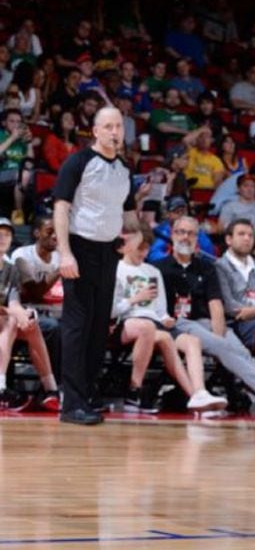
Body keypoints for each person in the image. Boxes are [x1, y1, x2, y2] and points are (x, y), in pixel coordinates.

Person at [155, 216, 255, 418]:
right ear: (173, 235)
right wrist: (218, 344)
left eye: (191, 233)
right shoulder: (160, 268)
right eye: (181, 232)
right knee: (221, 346)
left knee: (239, 349)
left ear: (197, 238)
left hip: (206, 321)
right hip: (178, 323)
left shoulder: (206, 267)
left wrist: (220, 335)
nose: (186, 237)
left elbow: (216, 305)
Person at [54, 107, 138, 425]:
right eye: (108, 126)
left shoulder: (124, 168)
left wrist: (136, 235)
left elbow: (128, 212)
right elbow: (61, 209)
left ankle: (87, 395)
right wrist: (65, 253)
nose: (115, 131)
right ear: (96, 131)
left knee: (99, 326)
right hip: (79, 247)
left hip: (109, 251)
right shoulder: (78, 162)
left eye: (119, 126)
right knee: (77, 325)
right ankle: (70, 403)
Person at [111, 224, 227, 413]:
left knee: (192, 341)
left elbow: (161, 309)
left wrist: (166, 319)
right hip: (128, 321)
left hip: (155, 324)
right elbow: (113, 310)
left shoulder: (153, 271)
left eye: (147, 248)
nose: (144, 252)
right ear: (127, 245)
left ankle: (199, 393)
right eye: (140, 247)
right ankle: (136, 391)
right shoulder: (117, 269)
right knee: (152, 330)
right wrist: (136, 298)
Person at [0, 217, 60, 412]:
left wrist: (25, 315)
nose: (3, 237)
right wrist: (13, 313)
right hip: (3, 319)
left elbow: (14, 302)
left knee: (31, 325)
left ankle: (51, 390)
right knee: (10, 321)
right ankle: (1, 388)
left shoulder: (10, 268)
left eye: (7, 234)